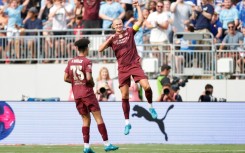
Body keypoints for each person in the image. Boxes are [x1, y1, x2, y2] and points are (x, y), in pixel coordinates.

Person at [98, 0, 158, 136]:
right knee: (124, 95)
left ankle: (151, 107)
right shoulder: (111, 38)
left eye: (120, 24)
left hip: (134, 64)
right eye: (116, 25)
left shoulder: (129, 32)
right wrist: (109, 39)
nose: (119, 26)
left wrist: (137, 7)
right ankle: (127, 123)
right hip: (123, 68)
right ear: (113, 27)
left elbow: (140, 21)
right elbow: (100, 49)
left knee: (147, 87)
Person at [64, 38, 119, 153]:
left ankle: (86, 147)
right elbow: (88, 78)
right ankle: (107, 144)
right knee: (98, 117)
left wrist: (76, 82)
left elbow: (65, 78)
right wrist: (92, 83)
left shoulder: (71, 61)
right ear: (86, 48)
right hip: (87, 93)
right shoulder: (87, 61)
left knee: (85, 120)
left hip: (77, 94)